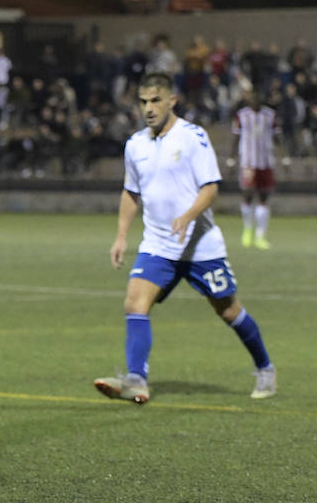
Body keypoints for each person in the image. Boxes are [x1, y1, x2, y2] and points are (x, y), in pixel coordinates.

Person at [95, 73, 277, 406]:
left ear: (172, 101)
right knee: (135, 303)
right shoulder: (135, 144)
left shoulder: (193, 137)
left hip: (200, 246)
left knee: (228, 311)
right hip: (158, 245)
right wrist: (121, 237)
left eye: (156, 101)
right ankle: (136, 380)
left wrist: (188, 215)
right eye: (143, 102)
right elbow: (131, 192)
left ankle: (265, 368)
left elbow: (211, 188)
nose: (149, 109)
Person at [229, 87, 283, 250]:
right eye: (252, 99)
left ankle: (260, 236)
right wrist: (231, 159)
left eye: (257, 99)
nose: (255, 102)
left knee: (264, 197)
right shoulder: (242, 115)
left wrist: (285, 157)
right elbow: (236, 137)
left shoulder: (270, 115)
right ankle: (247, 231)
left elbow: (277, 136)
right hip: (248, 162)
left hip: (266, 161)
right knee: (247, 195)